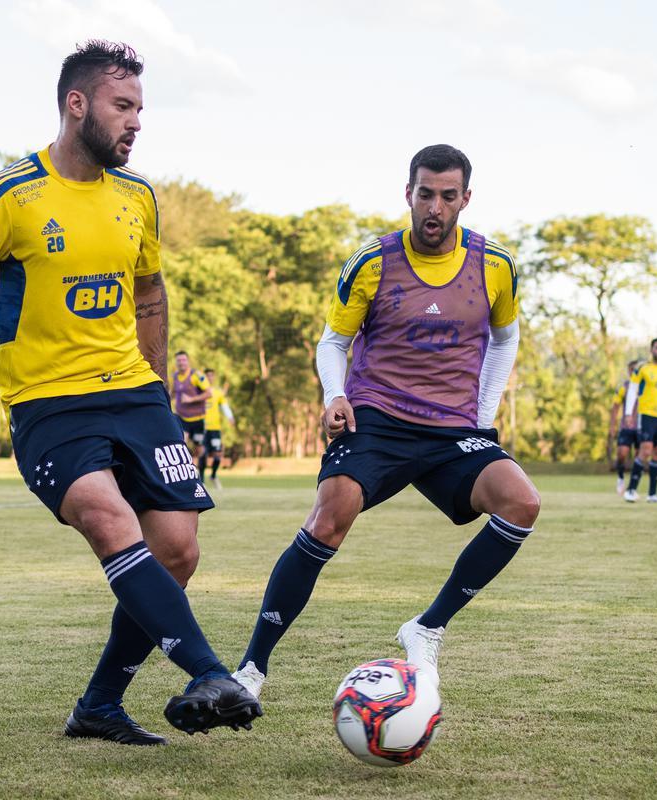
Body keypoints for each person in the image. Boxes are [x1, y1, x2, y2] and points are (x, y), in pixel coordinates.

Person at [0, 40, 261, 745]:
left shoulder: (139, 198)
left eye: (140, 109)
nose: (136, 123)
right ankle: (209, 669)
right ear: (77, 105)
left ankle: (99, 707)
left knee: (178, 549)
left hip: (134, 394)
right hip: (48, 402)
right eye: (122, 107)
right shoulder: (11, 193)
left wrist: (158, 388)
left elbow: (149, 290)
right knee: (106, 515)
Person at [231, 145, 540, 707]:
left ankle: (427, 627)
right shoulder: (373, 259)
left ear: (465, 199)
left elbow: (506, 336)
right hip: (378, 417)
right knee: (329, 518)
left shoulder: (494, 264)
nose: (436, 207)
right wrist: (336, 395)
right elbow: (334, 340)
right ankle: (251, 669)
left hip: (451, 431)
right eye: (426, 193)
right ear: (409, 193)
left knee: (522, 503)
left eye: (449, 196)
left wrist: (484, 415)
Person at [622, 338, 657, 504]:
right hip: (646, 415)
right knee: (645, 451)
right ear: (651, 350)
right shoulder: (643, 369)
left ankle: (652, 494)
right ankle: (631, 490)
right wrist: (629, 413)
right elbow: (632, 390)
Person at [610, 359, 642, 496]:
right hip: (627, 426)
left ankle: (632, 487)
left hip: (642, 427)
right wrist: (613, 425)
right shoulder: (624, 387)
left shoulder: (645, 388)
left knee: (639, 457)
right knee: (622, 453)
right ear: (629, 371)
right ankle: (621, 477)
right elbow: (616, 407)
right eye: (632, 369)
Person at [199, 368, 235, 489]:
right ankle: (202, 480)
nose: (209, 378)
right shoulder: (199, 391)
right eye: (207, 376)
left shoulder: (218, 392)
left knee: (217, 455)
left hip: (215, 429)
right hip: (202, 428)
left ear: (213, 378)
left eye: (211, 376)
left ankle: (213, 475)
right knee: (202, 453)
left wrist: (230, 417)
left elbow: (224, 406)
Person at [172, 351, 211, 460]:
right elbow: (173, 392)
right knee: (181, 443)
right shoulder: (175, 376)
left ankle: (198, 466)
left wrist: (191, 399)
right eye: (179, 360)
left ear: (188, 361)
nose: (181, 363)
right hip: (182, 418)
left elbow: (209, 393)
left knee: (199, 448)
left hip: (198, 419)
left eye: (183, 360)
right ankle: (187, 468)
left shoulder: (197, 375)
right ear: (176, 362)